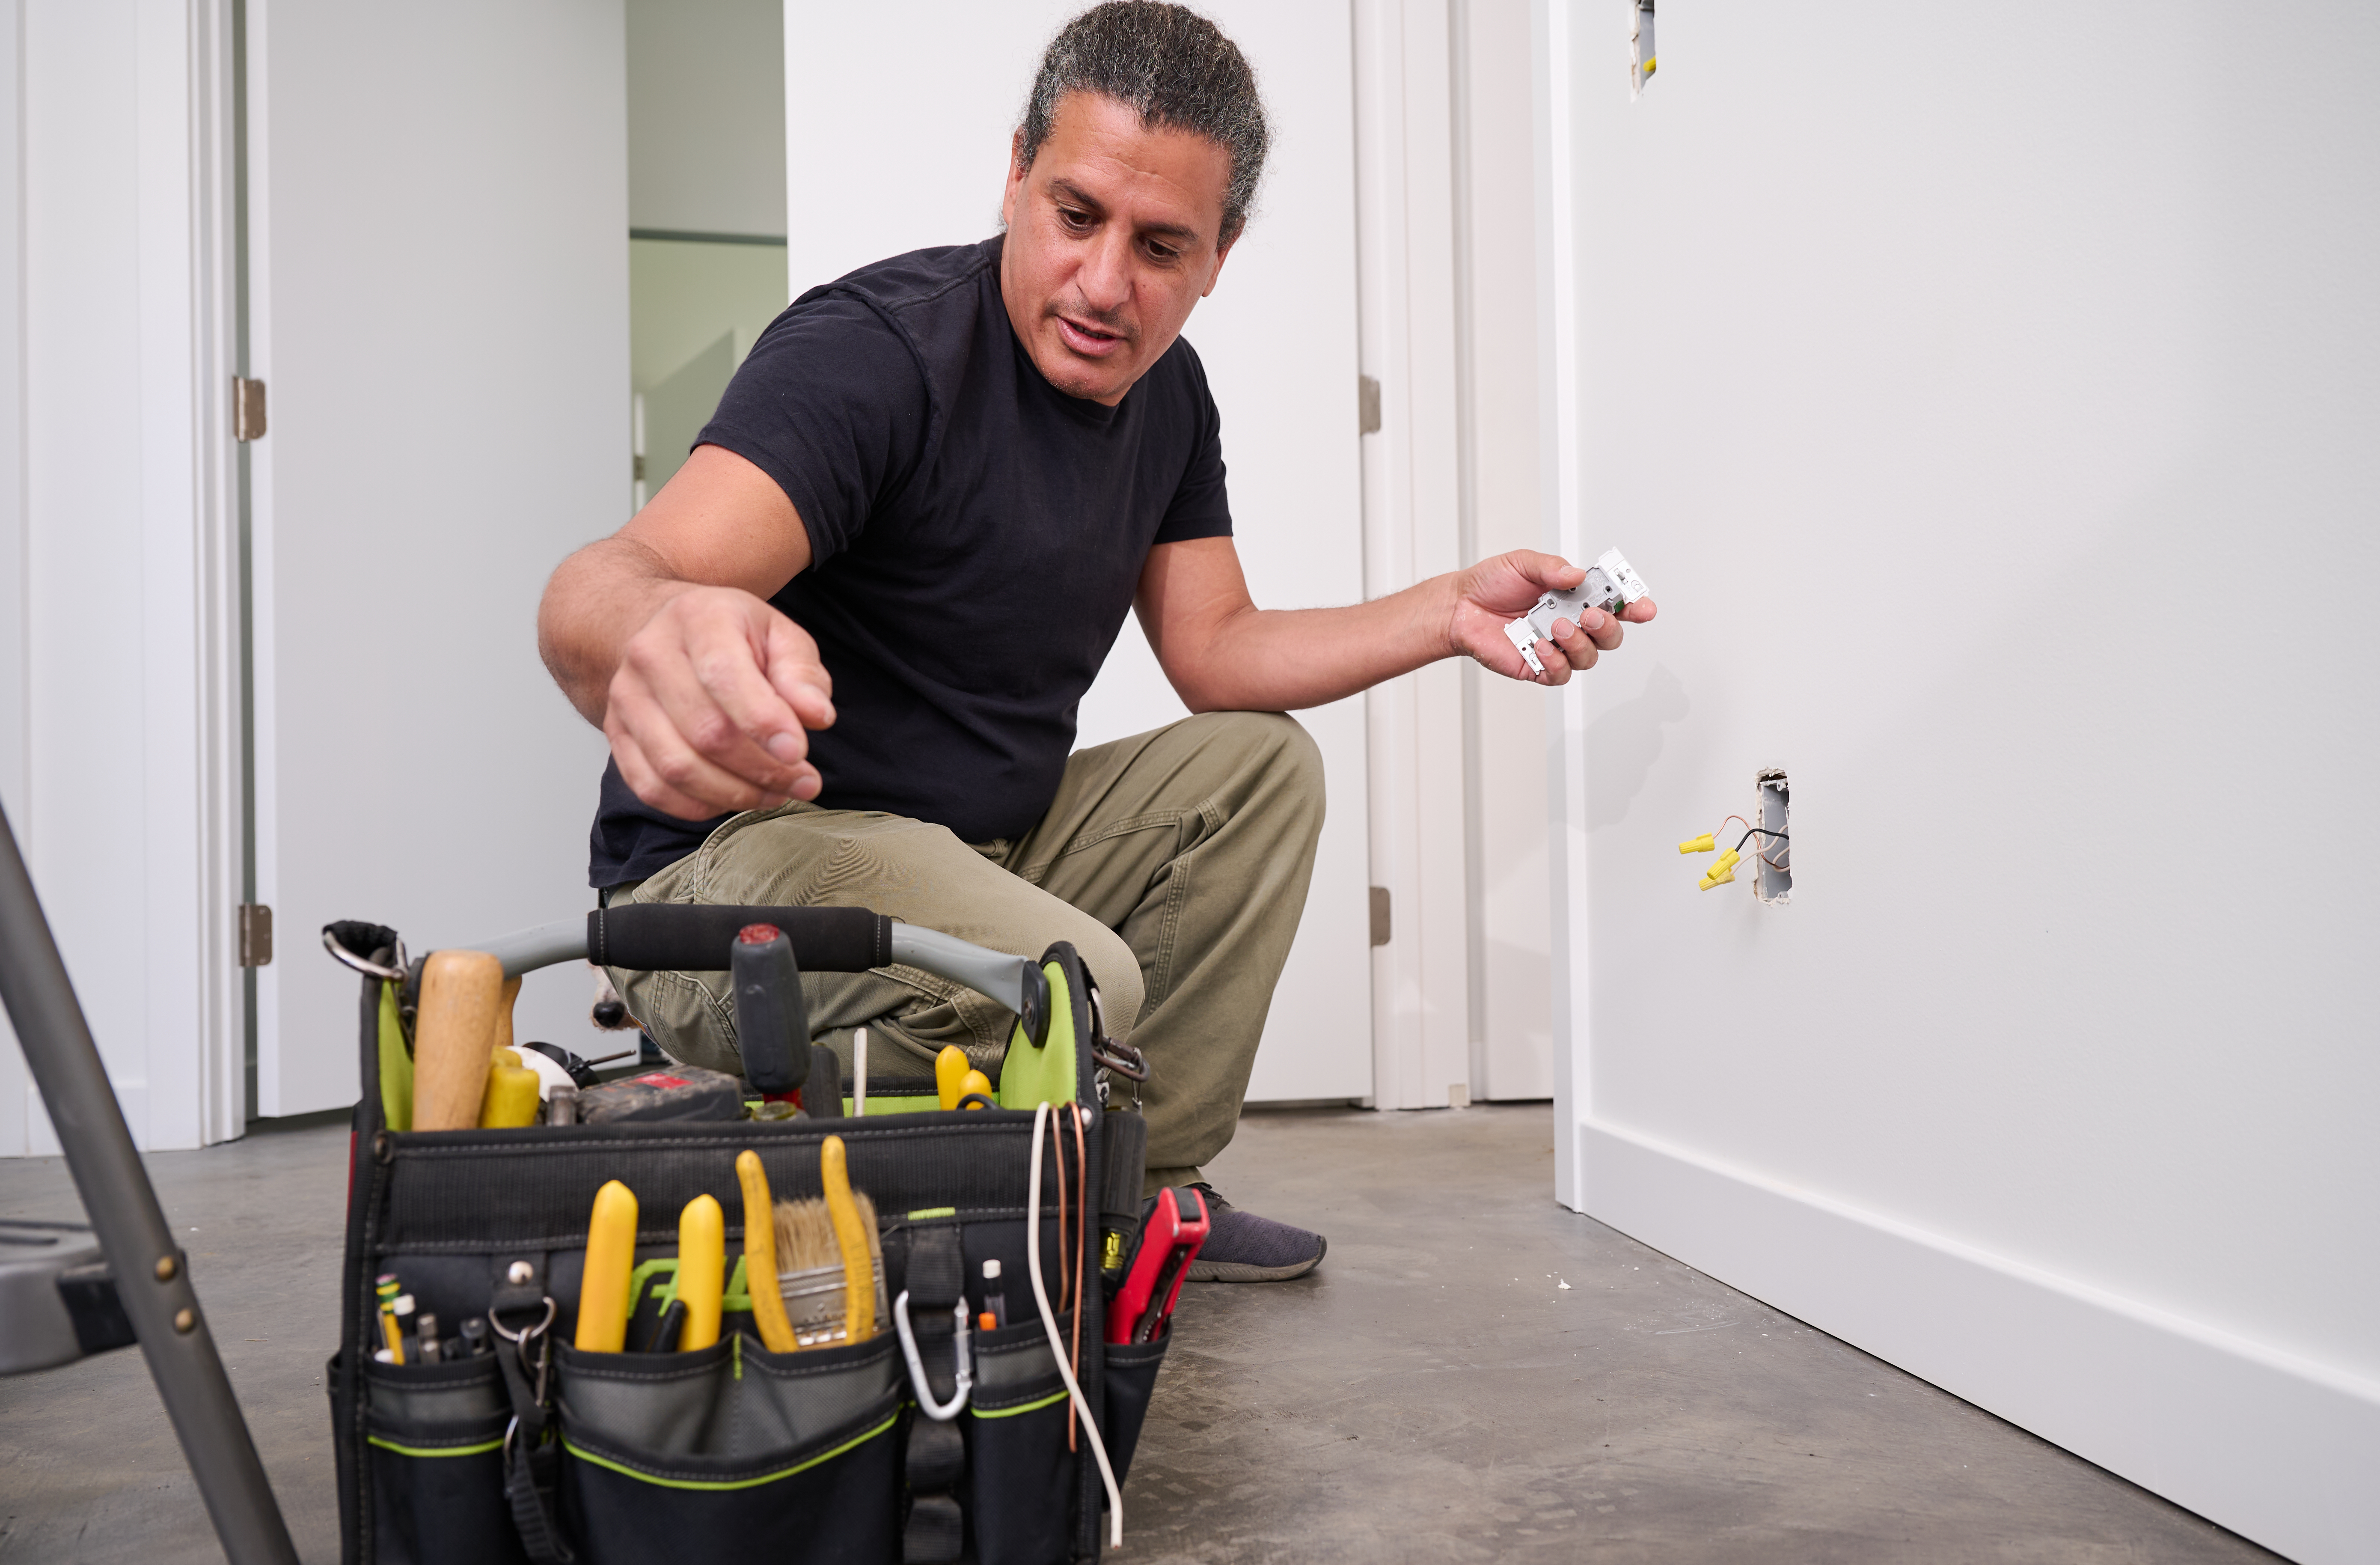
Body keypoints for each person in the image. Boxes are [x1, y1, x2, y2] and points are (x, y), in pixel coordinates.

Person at [536, 1, 1653, 1282]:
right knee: (1085, 981)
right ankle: (1011, 1185)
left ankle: (1141, 1196)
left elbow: (1216, 650)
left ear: (1220, 255)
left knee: (1259, 771)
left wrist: (1449, 613)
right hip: (730, 880)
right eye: (1076, 216)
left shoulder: (1167, 398)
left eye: (1162, 244)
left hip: (965, 852)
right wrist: (662, 631)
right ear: (1016, 172)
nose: (1107, 283)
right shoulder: (875, 358)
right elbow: (605, 586)